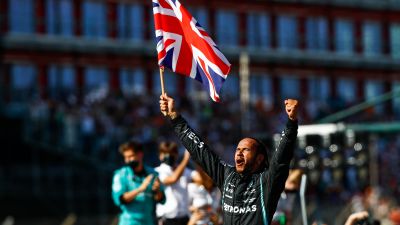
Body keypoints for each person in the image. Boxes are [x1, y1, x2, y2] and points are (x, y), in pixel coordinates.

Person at [159, 93, 299, 225]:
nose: (239, 153)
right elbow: (200, 150)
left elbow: (282, 157)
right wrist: (174, 117)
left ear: (259, 159)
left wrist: (291, 123)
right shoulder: (227, 175)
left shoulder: (267, 182)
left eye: (246, 150)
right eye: (238, 149)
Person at [112, 141, 165, 225]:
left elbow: (161, 200)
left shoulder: (153, 173)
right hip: (129, 221)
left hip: (148, 221)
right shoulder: (120, 175)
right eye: (126, 157)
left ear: (140, 154)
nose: (128, 160)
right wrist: (140, 189)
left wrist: (157, 190)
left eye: (131, 156)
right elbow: (120, 199)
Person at [155, 141, 192, 225]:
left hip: (184, 218)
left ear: (176, 155)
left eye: (171, 153)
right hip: (166, 218)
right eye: (165, 153)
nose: (169, 156)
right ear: (160, 156)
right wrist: (186, 159)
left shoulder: (184, 170)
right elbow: (173, 179)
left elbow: (202, 180)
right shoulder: (157, 171)